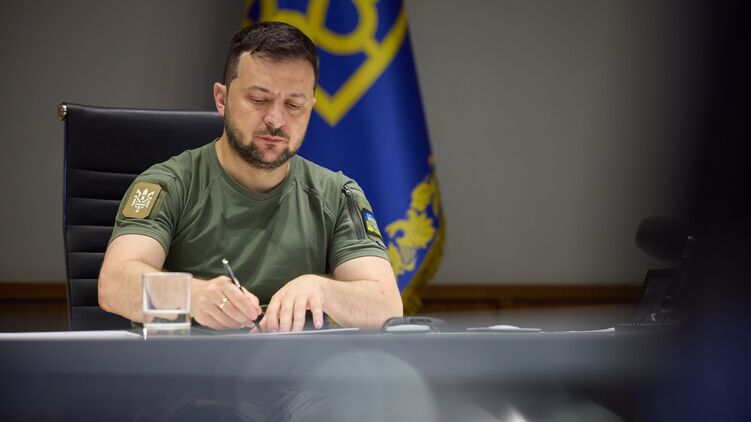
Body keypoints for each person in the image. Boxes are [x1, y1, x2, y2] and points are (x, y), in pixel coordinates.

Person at [98, 21, 403, 332]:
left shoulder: (336, 195)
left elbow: (387, 307)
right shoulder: (169, 184)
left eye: (294, 105)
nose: (276, 120)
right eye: (259, 100)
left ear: (310, 108)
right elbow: (114, 286)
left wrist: (323, 289)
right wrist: (192, 296)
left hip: (296, 362)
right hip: (190, 359)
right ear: (222, 99)